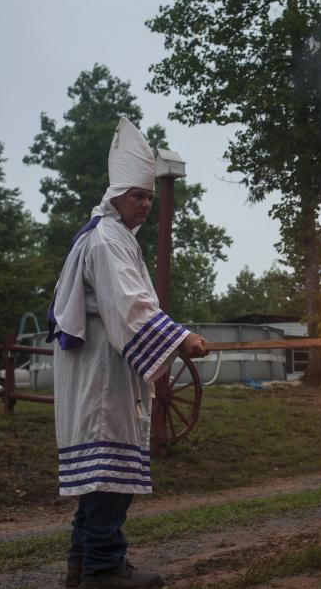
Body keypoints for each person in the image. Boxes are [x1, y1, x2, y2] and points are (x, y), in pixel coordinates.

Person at [48, 117, 209, 588]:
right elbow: (132, 309)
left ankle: (82, 566)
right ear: (117, 193)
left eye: (149, 198)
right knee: (109, 477)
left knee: (100, 476)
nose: (145, 205)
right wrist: (181, 339)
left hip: (107, 365)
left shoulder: (113, 237)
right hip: (102, 373)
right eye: (138, 196)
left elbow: (130, 309)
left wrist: (175, 338)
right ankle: (102, 569)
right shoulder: (106, 241)